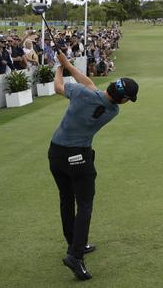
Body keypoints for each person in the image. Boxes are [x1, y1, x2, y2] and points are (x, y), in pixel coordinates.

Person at [48, 49, 138, 281]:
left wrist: (60, 69)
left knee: (66, 199)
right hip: (79, 158)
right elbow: (89, 84)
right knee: (85, 204)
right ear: (123, 99)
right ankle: (75, 255)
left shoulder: (79, 93)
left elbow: (59, 87)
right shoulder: (112, 110)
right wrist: (66, 63)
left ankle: (74, 242)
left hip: (56, 154)